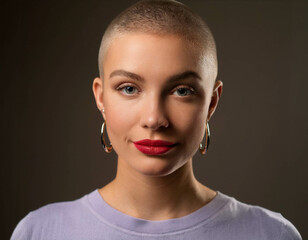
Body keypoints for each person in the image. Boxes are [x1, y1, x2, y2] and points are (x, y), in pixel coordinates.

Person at [11, 0, 302, 239]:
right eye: (129, 88)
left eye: (181, 91)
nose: (154, 119)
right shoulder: (40, 232)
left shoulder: (271, 234)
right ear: (101, 97)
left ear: (211, 102)